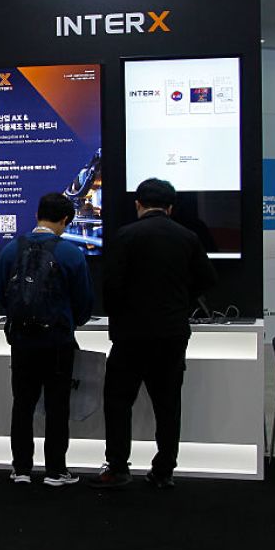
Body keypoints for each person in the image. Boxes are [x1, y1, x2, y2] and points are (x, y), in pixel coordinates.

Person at [91, 178, 217, 490]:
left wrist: (120, 313)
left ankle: (118, 467)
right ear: (170, 207)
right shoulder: (187, 237)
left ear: (138, 204)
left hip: (130, 334)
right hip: (171, 332)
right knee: (168, 405)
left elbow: (111, 285)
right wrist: (182, 301)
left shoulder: (125, 236)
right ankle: (164, 470)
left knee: (118, 402)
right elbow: (207, 279)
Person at [0, 193, 93, 487]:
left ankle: (21, 469)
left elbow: (2, 297)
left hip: (21, 341)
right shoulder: (71, 254)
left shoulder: (10, 250)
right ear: (65, 220)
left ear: (37, 214)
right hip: (58, 341)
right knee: (57, 405)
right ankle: (55, 471)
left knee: (22, 404)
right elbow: (83, 303)